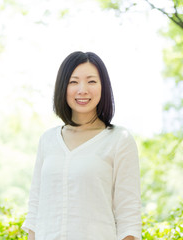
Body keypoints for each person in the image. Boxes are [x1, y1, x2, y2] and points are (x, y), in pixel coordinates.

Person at [22, 51, 141, 240]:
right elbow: (35, 211)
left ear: (103, 87)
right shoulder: (48, 140)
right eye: (73, 81)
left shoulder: (120, 140)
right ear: (63, 87)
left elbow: (129, 219)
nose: (82, 89)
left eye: (91, 81)